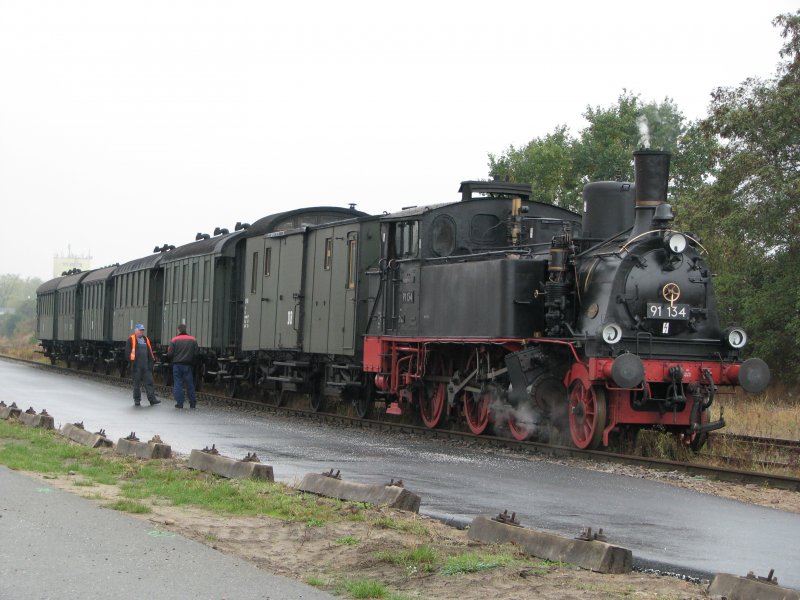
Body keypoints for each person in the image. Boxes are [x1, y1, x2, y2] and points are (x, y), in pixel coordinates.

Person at [126, 324, 160, 406]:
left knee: (149, 382)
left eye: (142, 330)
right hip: (136, 366)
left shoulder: (146, 339)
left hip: (146, 366)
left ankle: (152, 399)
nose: (142, 332)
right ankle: (137, 400)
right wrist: (132, 363)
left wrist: (151, 363)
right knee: (136, 384)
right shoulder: (131, 339)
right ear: (136, 331)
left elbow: (150, 352)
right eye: (140, 330)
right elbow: (127, 353)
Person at [167, 324, 199, 409]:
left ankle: (180, 403)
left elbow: (170, 354)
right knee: (190, 384)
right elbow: (196, 353)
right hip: (188, 365)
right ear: (185, 330)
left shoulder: (174, 340)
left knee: (178, 384)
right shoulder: (193, 339)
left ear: (178, 330)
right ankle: (192, 403)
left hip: (177, 365)